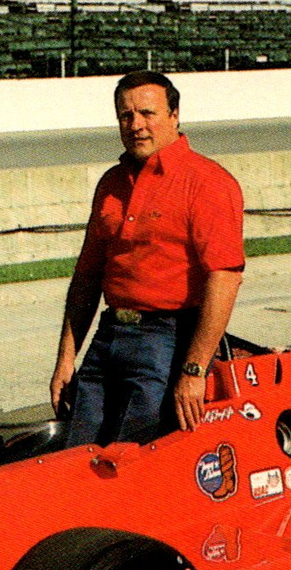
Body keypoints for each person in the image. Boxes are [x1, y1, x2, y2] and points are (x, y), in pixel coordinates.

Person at [50, 71, 246, 447]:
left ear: (174, 115)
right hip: (109, 337)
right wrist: (65, 360)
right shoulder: (111, 183)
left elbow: (224, 277)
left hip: (169, 339)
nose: (136, 125)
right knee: (78, 452)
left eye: (147, 113)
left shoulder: (207, 182)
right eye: (126, 116)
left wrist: (194, 370)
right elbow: (87, 278)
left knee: (137, 458)